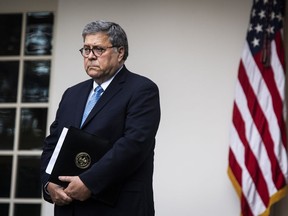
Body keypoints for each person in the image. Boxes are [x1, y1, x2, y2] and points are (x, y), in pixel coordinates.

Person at [40, 20, 161, 216]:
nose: (90, 56)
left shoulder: (142, 90)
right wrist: (48, 184)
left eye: (98, 49)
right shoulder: (72, 94)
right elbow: (53, 143)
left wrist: (89, 182)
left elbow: (134, 145)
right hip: (69, 208)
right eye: (86, 49)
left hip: (118, 207)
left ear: (120, 53)